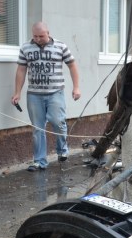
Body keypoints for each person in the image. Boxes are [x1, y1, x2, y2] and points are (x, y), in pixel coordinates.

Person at [11, 21, 80, 171]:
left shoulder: (60, 46)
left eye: (41, 36)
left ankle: (62, 150)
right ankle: (39, 161)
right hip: (34, 94)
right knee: (38, 128)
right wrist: (17, 92)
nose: (38, 39)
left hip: (55, 92)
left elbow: (72, 65)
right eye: (35, 36)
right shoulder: (26, 47)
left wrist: (76, 87)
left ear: (48, 33)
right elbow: (21, 70)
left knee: (58, 122)